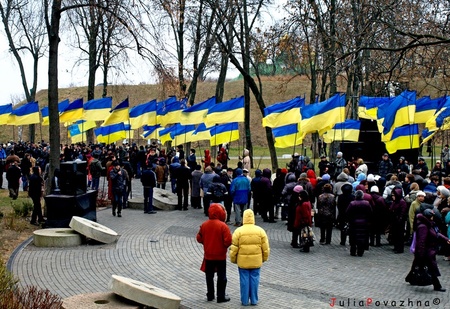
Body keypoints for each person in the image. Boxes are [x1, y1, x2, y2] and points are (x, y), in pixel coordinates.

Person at [230, 209, 270, 306]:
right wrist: (264, 258)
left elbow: (234, 248)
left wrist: (233, 259)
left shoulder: (238, 231)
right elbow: (265, 248)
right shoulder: (260, 231)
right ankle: (254, 300)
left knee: (244, 280)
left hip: (243, 262)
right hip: (256, 261)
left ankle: (244, 300)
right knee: (255, 280)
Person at [405, 209, 450, 292]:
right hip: (426, 251)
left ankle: (410, 278)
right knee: (431, 268)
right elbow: (421, 241)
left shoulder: (428, 225)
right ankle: (437, 285)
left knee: (418, 266)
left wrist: (446, 239)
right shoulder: (424, 226)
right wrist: (421, 253)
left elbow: (436, 234)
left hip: (426, 251)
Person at [196, 203, 232, 303]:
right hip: (220, 256)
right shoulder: (223, 226)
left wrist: (206, 242)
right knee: (221, 277)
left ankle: (210, 295)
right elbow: (228, 241)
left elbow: (199, 238)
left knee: (209, 276)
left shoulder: (204, 225)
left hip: (208, 256)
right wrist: (223, 246)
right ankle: (221, 296)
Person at [346, 190, 373, 256]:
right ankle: (360, 251)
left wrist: (349, 220)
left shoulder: (352, 203)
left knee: (353, 237)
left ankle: (353, 251)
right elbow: (370, 213)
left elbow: (347, 212)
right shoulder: (367, 203)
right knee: (362, 237)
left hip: (354, 223)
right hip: (364, 223)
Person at [390, 187, 408, 253]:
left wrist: (400, 218)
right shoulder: (395, 202)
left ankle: (399, 248)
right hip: (395, 220)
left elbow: (403, 212)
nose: (392, 197)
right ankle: (396, 247)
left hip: (399, 221)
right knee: (395, 234)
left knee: (399, 235)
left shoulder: (402, 202)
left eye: (393, 195)